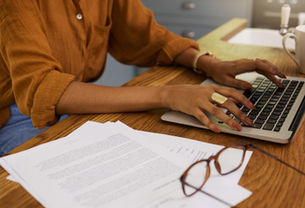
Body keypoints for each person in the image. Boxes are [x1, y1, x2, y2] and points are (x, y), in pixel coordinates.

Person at [0, 0, 285, 156]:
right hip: (14, 114)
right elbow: (41, 91)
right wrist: (167, 94)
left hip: (75, 100)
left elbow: (148, 37)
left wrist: (207, 63)